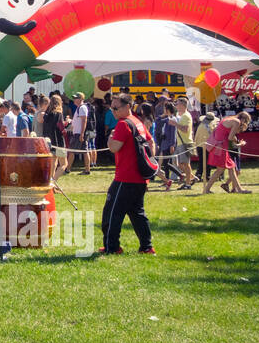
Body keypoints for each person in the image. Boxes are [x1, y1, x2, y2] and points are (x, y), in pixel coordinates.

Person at [101, 95, 156, 255]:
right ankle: (147, 247)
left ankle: (112, 247)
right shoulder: (138, 122)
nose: (113, 111)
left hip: (125, 178)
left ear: (127, 106)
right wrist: (148, 161)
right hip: (140, 177)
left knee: (111, 214)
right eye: (111, 108)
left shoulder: (123, 124)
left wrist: (110, 138)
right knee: (137, 213)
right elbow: (151, 142)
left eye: (115, 108)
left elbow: (114, 148)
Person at [205, 111, 252, 194]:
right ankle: (206, 189)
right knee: (220, 170)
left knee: (231, 167)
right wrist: (240, 144)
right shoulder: (236, 122)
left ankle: (239, 189)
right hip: (221, 147)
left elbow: (226, 133)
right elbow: (230, 137)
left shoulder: (229, 118)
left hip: (218, 146)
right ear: (244, 120)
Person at [152, 102, 178, 190]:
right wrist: (163, 115)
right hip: (164, 143)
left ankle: (178, 175)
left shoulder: (172, 119)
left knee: (166, 163)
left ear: (168, 109)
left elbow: (173, 133)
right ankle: (167, 180)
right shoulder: (167, 118)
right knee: (165, 164)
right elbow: (157, 121)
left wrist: (172, 145)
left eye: (165, 109)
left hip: (168, 143)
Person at [173, 96, 197, 189]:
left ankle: (188, 183)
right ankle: (192, 177)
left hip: (185, 142)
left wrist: (175, 124)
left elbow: (185, 130)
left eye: (177, 103)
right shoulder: (180, 115)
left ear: (183, 105)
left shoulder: (186, 116)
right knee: (180, 164)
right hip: (180, 142)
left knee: (185, 164)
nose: (176, 105)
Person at [43, 94, 67, 178]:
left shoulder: (47, 114)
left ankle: (51, 185)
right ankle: (53, 182)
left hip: (49, 143)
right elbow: (61, 128)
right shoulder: (58, 114)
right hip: (58, 143)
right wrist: (67, 124)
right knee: (64, 164)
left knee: (53, 165)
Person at [69, 92, 92, 174]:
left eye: (76, 98)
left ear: (81, 99)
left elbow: (84, 121)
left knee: (72, 151)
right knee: (84, 151)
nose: (74, 100)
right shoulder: (80, 108)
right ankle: (87, 169)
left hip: (79, 133)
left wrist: (81, 133)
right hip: (78, 132)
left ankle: (67, 169)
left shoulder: (82, 108)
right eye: (74, 98)